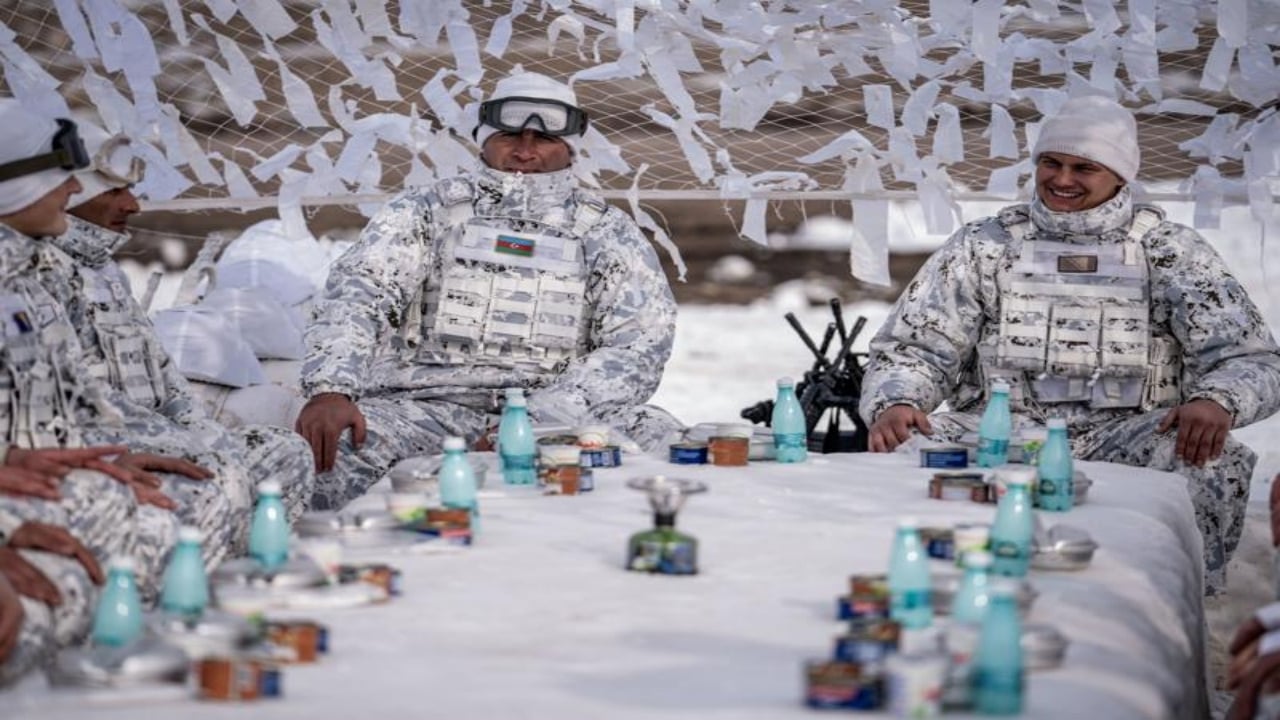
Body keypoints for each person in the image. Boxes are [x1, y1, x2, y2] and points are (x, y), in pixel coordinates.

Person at [858, 95, 1280, 594]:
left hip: (1128, 436)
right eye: (1051, 163)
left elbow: (1249, 358)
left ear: (1121, 177)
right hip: (1002, 433)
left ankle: (1180, 607)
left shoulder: (1171, 252)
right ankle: (927, 579)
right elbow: (914, 347)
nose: (1062, 179)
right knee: (907, 448)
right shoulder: (985, 246)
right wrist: (898, 401)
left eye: (1084, 168)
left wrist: (1216, 401)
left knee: (1212, 460)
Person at [297, 71, 682, 509]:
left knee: (664, 443)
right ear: (483, 140)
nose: (525, 150)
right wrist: (331, 389)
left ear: (570, 147)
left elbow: (640, 343)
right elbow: (358, 294)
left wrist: (530, 421)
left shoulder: (606, 231)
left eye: (543, 139)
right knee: (333, 456)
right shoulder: (426, 212)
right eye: (509, 135)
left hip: (559, 413)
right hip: (425, 408)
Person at [0, 104, 204, 684]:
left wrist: (106, 451)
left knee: (171, 493)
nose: (72, 187)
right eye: (62, 175)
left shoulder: (22, 274)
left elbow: (76, 399)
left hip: (37, 472)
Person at [43, 119, 316, 538]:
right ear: (68, 192)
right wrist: (185, 448)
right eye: (114, 191)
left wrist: (205, 436)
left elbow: (164, 375)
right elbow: (74, 407)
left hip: (161, 438)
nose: (133, 205)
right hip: (110, 451)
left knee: (281, 450)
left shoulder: (104, 272)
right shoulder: (37, 276)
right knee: (221, 480)